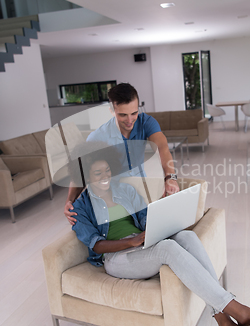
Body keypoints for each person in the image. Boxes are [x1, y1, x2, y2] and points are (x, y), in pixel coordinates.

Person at [71, 146, 250, 326]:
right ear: (86, 177)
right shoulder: (80, 207)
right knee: (168, 248)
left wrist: (161, 214)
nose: (105, 177)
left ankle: (225, 325)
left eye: (107, 171)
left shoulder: (124, 191)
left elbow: (145, 217)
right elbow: (96, 244)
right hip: (116, 257)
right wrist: (132, 241)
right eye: (97, 174)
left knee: (186, 235)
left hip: (141, 243)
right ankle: (240, 311)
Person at [64, 83, 179, 225]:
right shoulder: (98, 137)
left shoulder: (146, 122)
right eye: (123, 115)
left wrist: (170, 177)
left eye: (134, 113)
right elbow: (81, 172)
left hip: (141, 190)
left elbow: (163, 148)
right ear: (112, 110)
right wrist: (70, 200)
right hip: (116, 197)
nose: (130, 120)